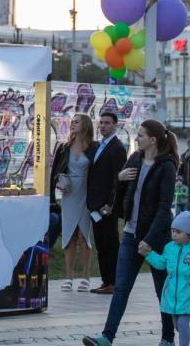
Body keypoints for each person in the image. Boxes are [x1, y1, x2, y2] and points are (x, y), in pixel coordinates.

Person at [83, 119, 179, 346]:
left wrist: (149, 240)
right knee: (121, 289)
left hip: (157, 239)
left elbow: (164, 209)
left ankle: (167, 339)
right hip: (130, 234)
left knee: (162, 291)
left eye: (141, 135)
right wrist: (119, 179)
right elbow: (123, 193)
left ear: (153, 140)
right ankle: (107, 337)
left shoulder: (166, 166)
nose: (137, 138)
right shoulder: (135, 158)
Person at [140, 211, 190, 346]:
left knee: (182, 323)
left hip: (189, 296)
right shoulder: (169, 248)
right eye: (173, 231)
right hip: (172, 295)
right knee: (178, 325)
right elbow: (161, 263)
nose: (174, 234)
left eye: (178, 232)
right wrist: (148, 254)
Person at [50, 113, 94, 292]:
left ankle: (86, 277)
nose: (72, 124)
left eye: (76, 122)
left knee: (84, 236)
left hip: (86, 194)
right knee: (69, 236)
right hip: (68, 195)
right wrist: (57, 185)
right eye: (72, 121)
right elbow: (55, 171)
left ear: (85, 125)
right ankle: (68, 277)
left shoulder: (93, 147)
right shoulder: (64, 147)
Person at [87, 112, 128, 295]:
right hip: (95, 205)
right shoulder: (98, 146)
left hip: (107, 207)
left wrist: (112, 204)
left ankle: (114, 281)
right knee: (101, 244)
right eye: (101, 122)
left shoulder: (117, 148)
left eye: (107, 123)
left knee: (110, 244)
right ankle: (106, 280)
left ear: (115, 125)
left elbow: (117, 180)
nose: (103, 126)